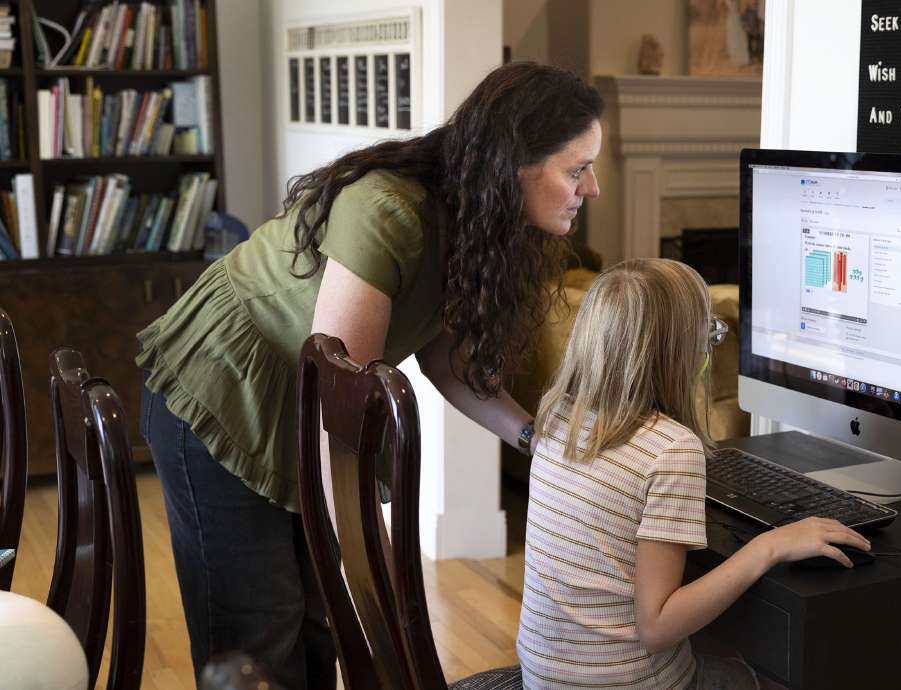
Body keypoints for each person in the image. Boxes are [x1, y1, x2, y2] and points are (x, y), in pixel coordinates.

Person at [136, 62, 603, 688]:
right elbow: (341, 427)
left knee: (315, 629)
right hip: (222, 384)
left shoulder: (474, 224)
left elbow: (444, 355)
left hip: (302, 401)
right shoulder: (388, 209)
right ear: (514, 163)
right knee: (259, 634)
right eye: (577, 169)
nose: (592, 188)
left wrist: (535, 438)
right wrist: (386, 585)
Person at [517, 259, 873, 689]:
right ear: (681, 351)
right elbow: (658, 627)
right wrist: (769, 546)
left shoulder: (559, 415)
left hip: (544, 677)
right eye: (709, 334)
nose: (710, 348)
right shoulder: (669, 449)